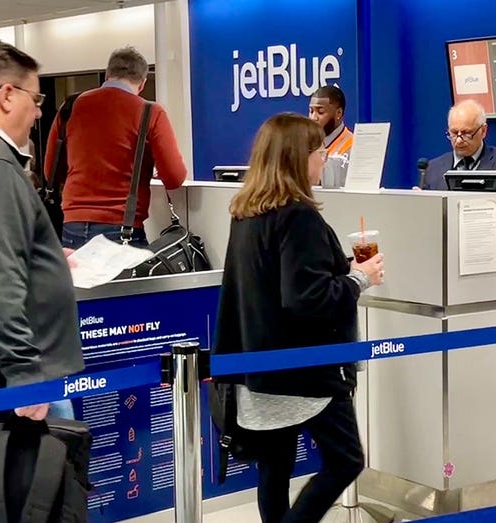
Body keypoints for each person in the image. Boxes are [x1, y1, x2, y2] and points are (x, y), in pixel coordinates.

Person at [213, 112, 384, 523]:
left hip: (258, 367)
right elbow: (308, 299)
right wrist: (360, 278)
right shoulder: (298, 217)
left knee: (274, 467)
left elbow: (279, 284)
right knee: (346, 459)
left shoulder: (246, 213)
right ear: (297, 157)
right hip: (304, 370)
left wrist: (337, 268)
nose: (324, 158)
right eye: (319, 151)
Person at [0, 39, 84, 502]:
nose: (39, 112)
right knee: (31, 501)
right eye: (36, 98)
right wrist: (25, 376)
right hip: (3, 384)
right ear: (7, 95)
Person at [43, 46, 187, 249]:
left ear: (107, 74)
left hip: (72, 224)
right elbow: (174, 177)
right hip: (123, 226)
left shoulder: (70, 106)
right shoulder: (150, 112)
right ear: (142, 83)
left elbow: (50, 170)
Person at [421, 99, 496, 200]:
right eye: (454, 133)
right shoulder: (432, 169)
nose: (459, 140)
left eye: (466, 133)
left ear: (483, 131)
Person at [308, 84, 353, 158]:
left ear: (338, 113)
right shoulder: (306, 145)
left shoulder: (352, 147)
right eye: (311, 111)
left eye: (321, 112)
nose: (313, 118)